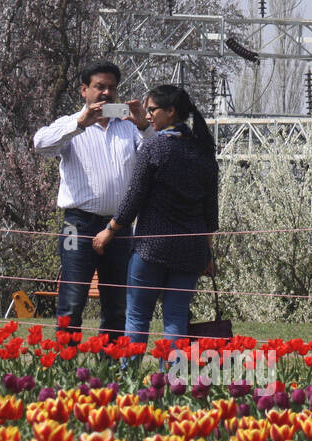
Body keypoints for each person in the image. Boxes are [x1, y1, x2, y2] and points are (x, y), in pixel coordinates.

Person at [33, 61, 153, 341]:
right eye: (100, 87)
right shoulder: (69, 125)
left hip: (119, 227)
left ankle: (108, 368)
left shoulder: (129, 127)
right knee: (73, 299)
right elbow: (40, 145)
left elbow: (156, 157)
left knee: (117, 304)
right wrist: (78, 125)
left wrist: (145, 126)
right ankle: (64, 366)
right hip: (78, 225)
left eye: (112, 88)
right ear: (84, 91)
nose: (106, 94)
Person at [92, 84, 219, 348]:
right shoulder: (204, 154)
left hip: (151, 248)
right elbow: (210, 213)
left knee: (138, 317)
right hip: (192, 251)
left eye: (152, 110)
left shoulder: (153, 149)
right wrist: (208, 253)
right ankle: (171, 383)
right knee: (175, 318)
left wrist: (110, 229)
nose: (147, 116)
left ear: (170, 112)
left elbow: (133, 199)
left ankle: (131, 380)